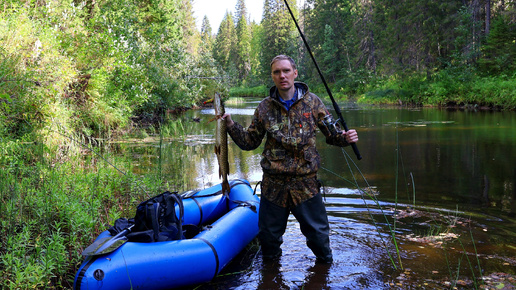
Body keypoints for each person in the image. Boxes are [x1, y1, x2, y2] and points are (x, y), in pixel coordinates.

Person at [223, 55, 358, 264]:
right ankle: (271, 280)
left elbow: (333, 135)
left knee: (320, 240)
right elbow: (249, 142)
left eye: (286, 71)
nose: (282, 76)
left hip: (305, 183)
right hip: (273, 186)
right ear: (272, 76)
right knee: (268, 242)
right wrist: (231, 124)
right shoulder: (264, 108)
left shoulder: (313, 103)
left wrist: (346, 138)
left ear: (295, 73)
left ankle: (323, 278)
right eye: (277, 72)